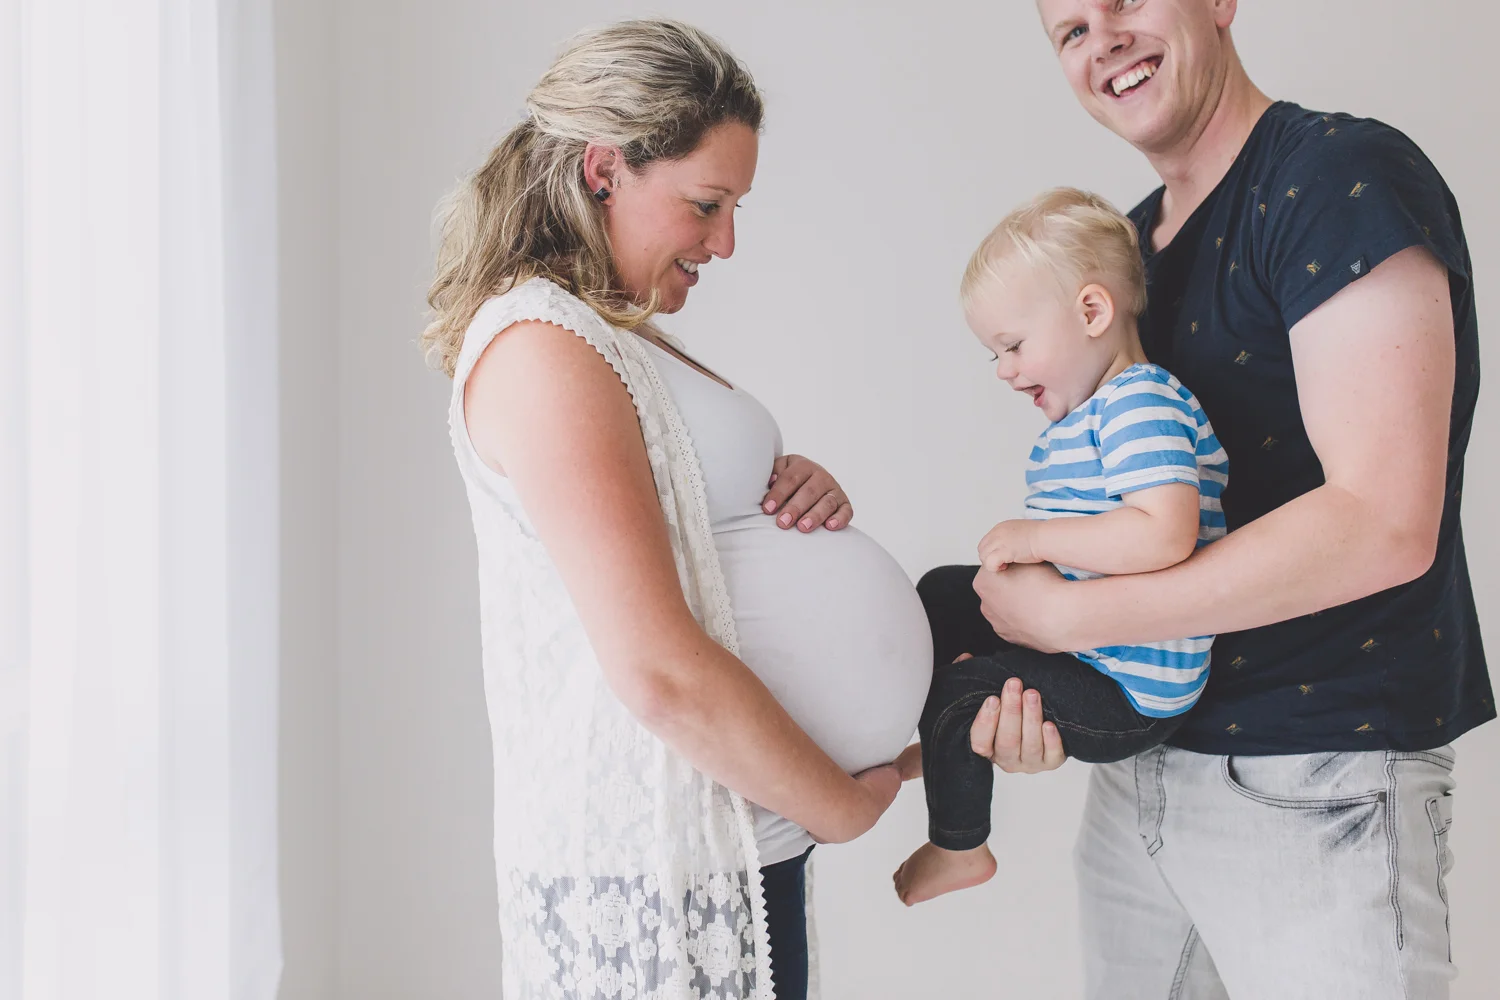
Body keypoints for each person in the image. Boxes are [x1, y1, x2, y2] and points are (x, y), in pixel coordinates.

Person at [954, 1, 1490, 996]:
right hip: (1141, 778)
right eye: (1071, 30)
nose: (1104, 38)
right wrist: (1057, 693)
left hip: (1317, 781)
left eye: (1124, 1)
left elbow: (1383, 522)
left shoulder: (1335, 177)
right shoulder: (1124, 254)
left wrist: (1069, 618)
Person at [421, 19, 934, 1000]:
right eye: (707, 204)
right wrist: (840, 808)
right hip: (658, 874)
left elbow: (681, 517)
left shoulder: (607, 334)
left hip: (731, 846)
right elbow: (655, 670)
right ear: (604, 170)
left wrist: (783, 491)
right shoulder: (540, 347)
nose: (726, 242)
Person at [893, 188, 1228, 906]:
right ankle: (941, 736)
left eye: (1013, 346)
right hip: (1094, 645)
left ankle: (959, 845)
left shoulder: (1139, 403)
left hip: (1133, 687)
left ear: (1092, 312)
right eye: (994, 354)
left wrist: (1038, 538)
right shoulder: (1092, 414)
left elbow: (1164, 531)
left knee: (963, 691)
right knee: (943, 592)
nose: (1004, 370)